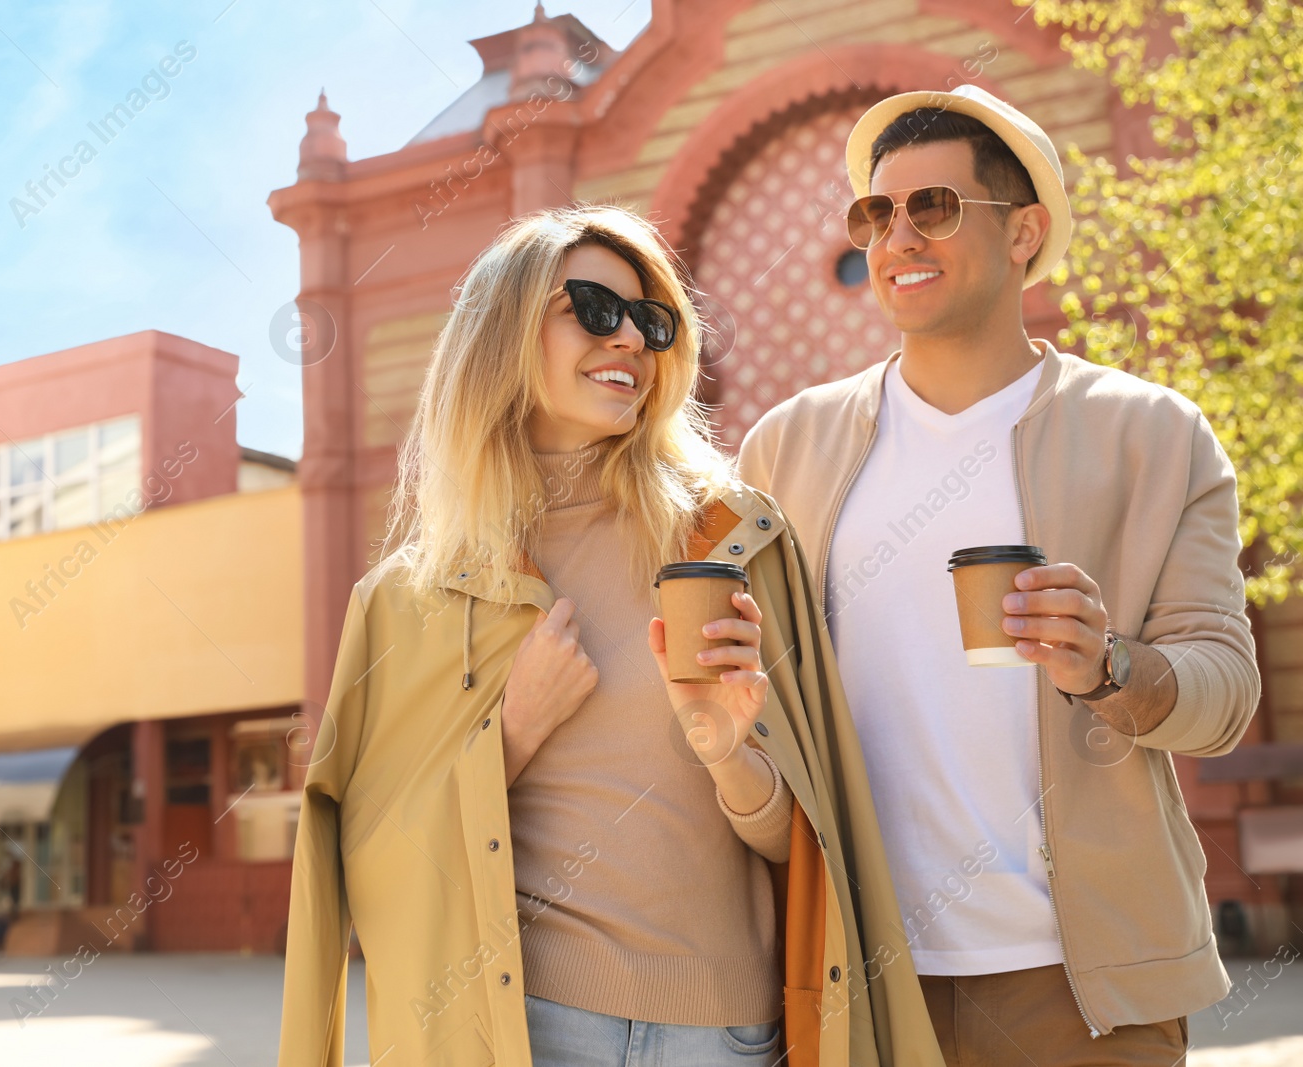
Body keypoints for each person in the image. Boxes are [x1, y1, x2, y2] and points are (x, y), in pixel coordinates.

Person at [278, 204, 943, 1066]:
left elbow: (810, 845)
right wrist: (512, 732)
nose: (630, 336)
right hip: (530, 1031)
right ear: (502, 334)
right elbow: (367, 865)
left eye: (652, 321)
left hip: (729, 1036)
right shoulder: (412, 596)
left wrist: (727, 748)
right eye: (593, 308)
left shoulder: (731, 541)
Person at [738, 85, 1260, 1066]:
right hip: (855, 974)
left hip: (1082, 987)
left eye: (932, 206)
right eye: (874, 212)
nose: (895, 236)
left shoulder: (1150, 433)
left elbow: (1222, 693)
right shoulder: (783, 449)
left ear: (1023, 231)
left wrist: (1107, 664)